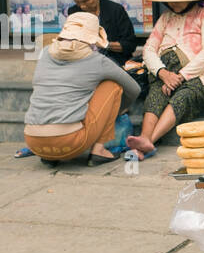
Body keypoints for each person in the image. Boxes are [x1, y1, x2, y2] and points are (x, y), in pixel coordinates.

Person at [126, 0, 204, 159]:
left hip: (199, 77)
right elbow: (149, 49)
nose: (174, 3)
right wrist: (162, 73)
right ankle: (144, 138)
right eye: (170, 0)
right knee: (155, 95)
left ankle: (147, 142)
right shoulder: (166, 17)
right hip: (166, 75)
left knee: (182, 97)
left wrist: (181, 76)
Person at [23, 10, 141, 165]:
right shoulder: (97, 60)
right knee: (112, 86)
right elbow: (134, 89)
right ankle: (99, 151)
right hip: (70, 143)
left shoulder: (45, 53)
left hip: (33, 141)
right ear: (92, 37)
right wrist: (116, 111)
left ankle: (50, 156)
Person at [67, 0, 138, 66]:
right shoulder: (73, 12)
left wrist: (105, 44)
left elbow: (129, 45)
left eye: (86, 1)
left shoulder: (115, 10)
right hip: (84, 64)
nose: (82, 6)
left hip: (114, 63)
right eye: (77, 2)